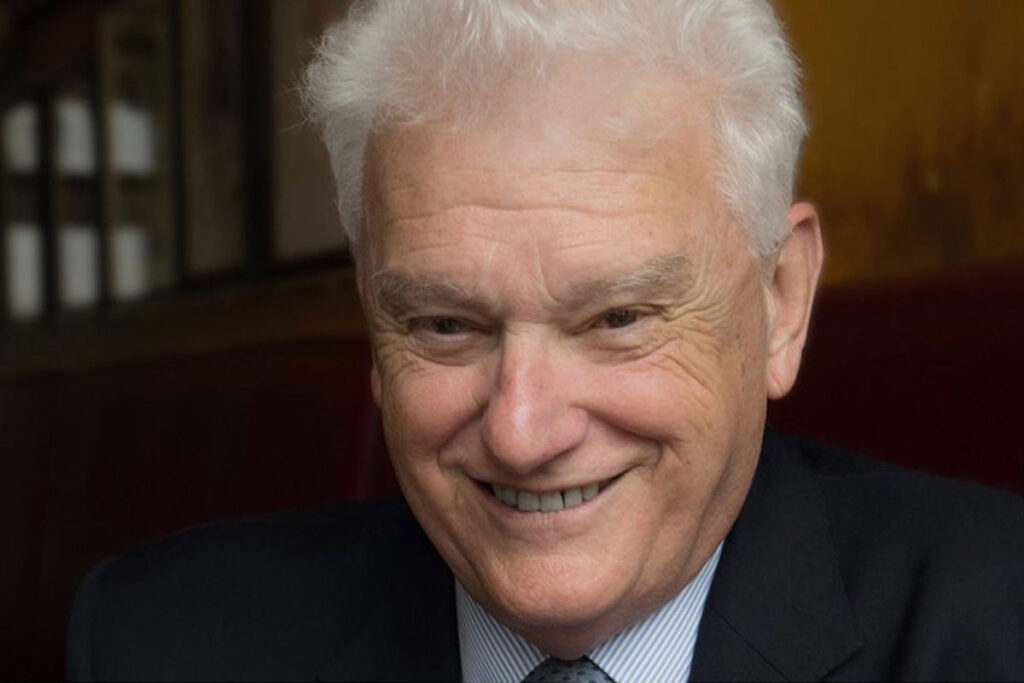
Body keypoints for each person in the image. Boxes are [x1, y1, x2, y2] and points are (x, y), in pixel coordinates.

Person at [66, 1, 1023, 681]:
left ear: (781, 300)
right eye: (445, 324)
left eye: (617, 318)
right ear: (371, 319)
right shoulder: (160, 642)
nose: (522, 432)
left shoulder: (996, 623)